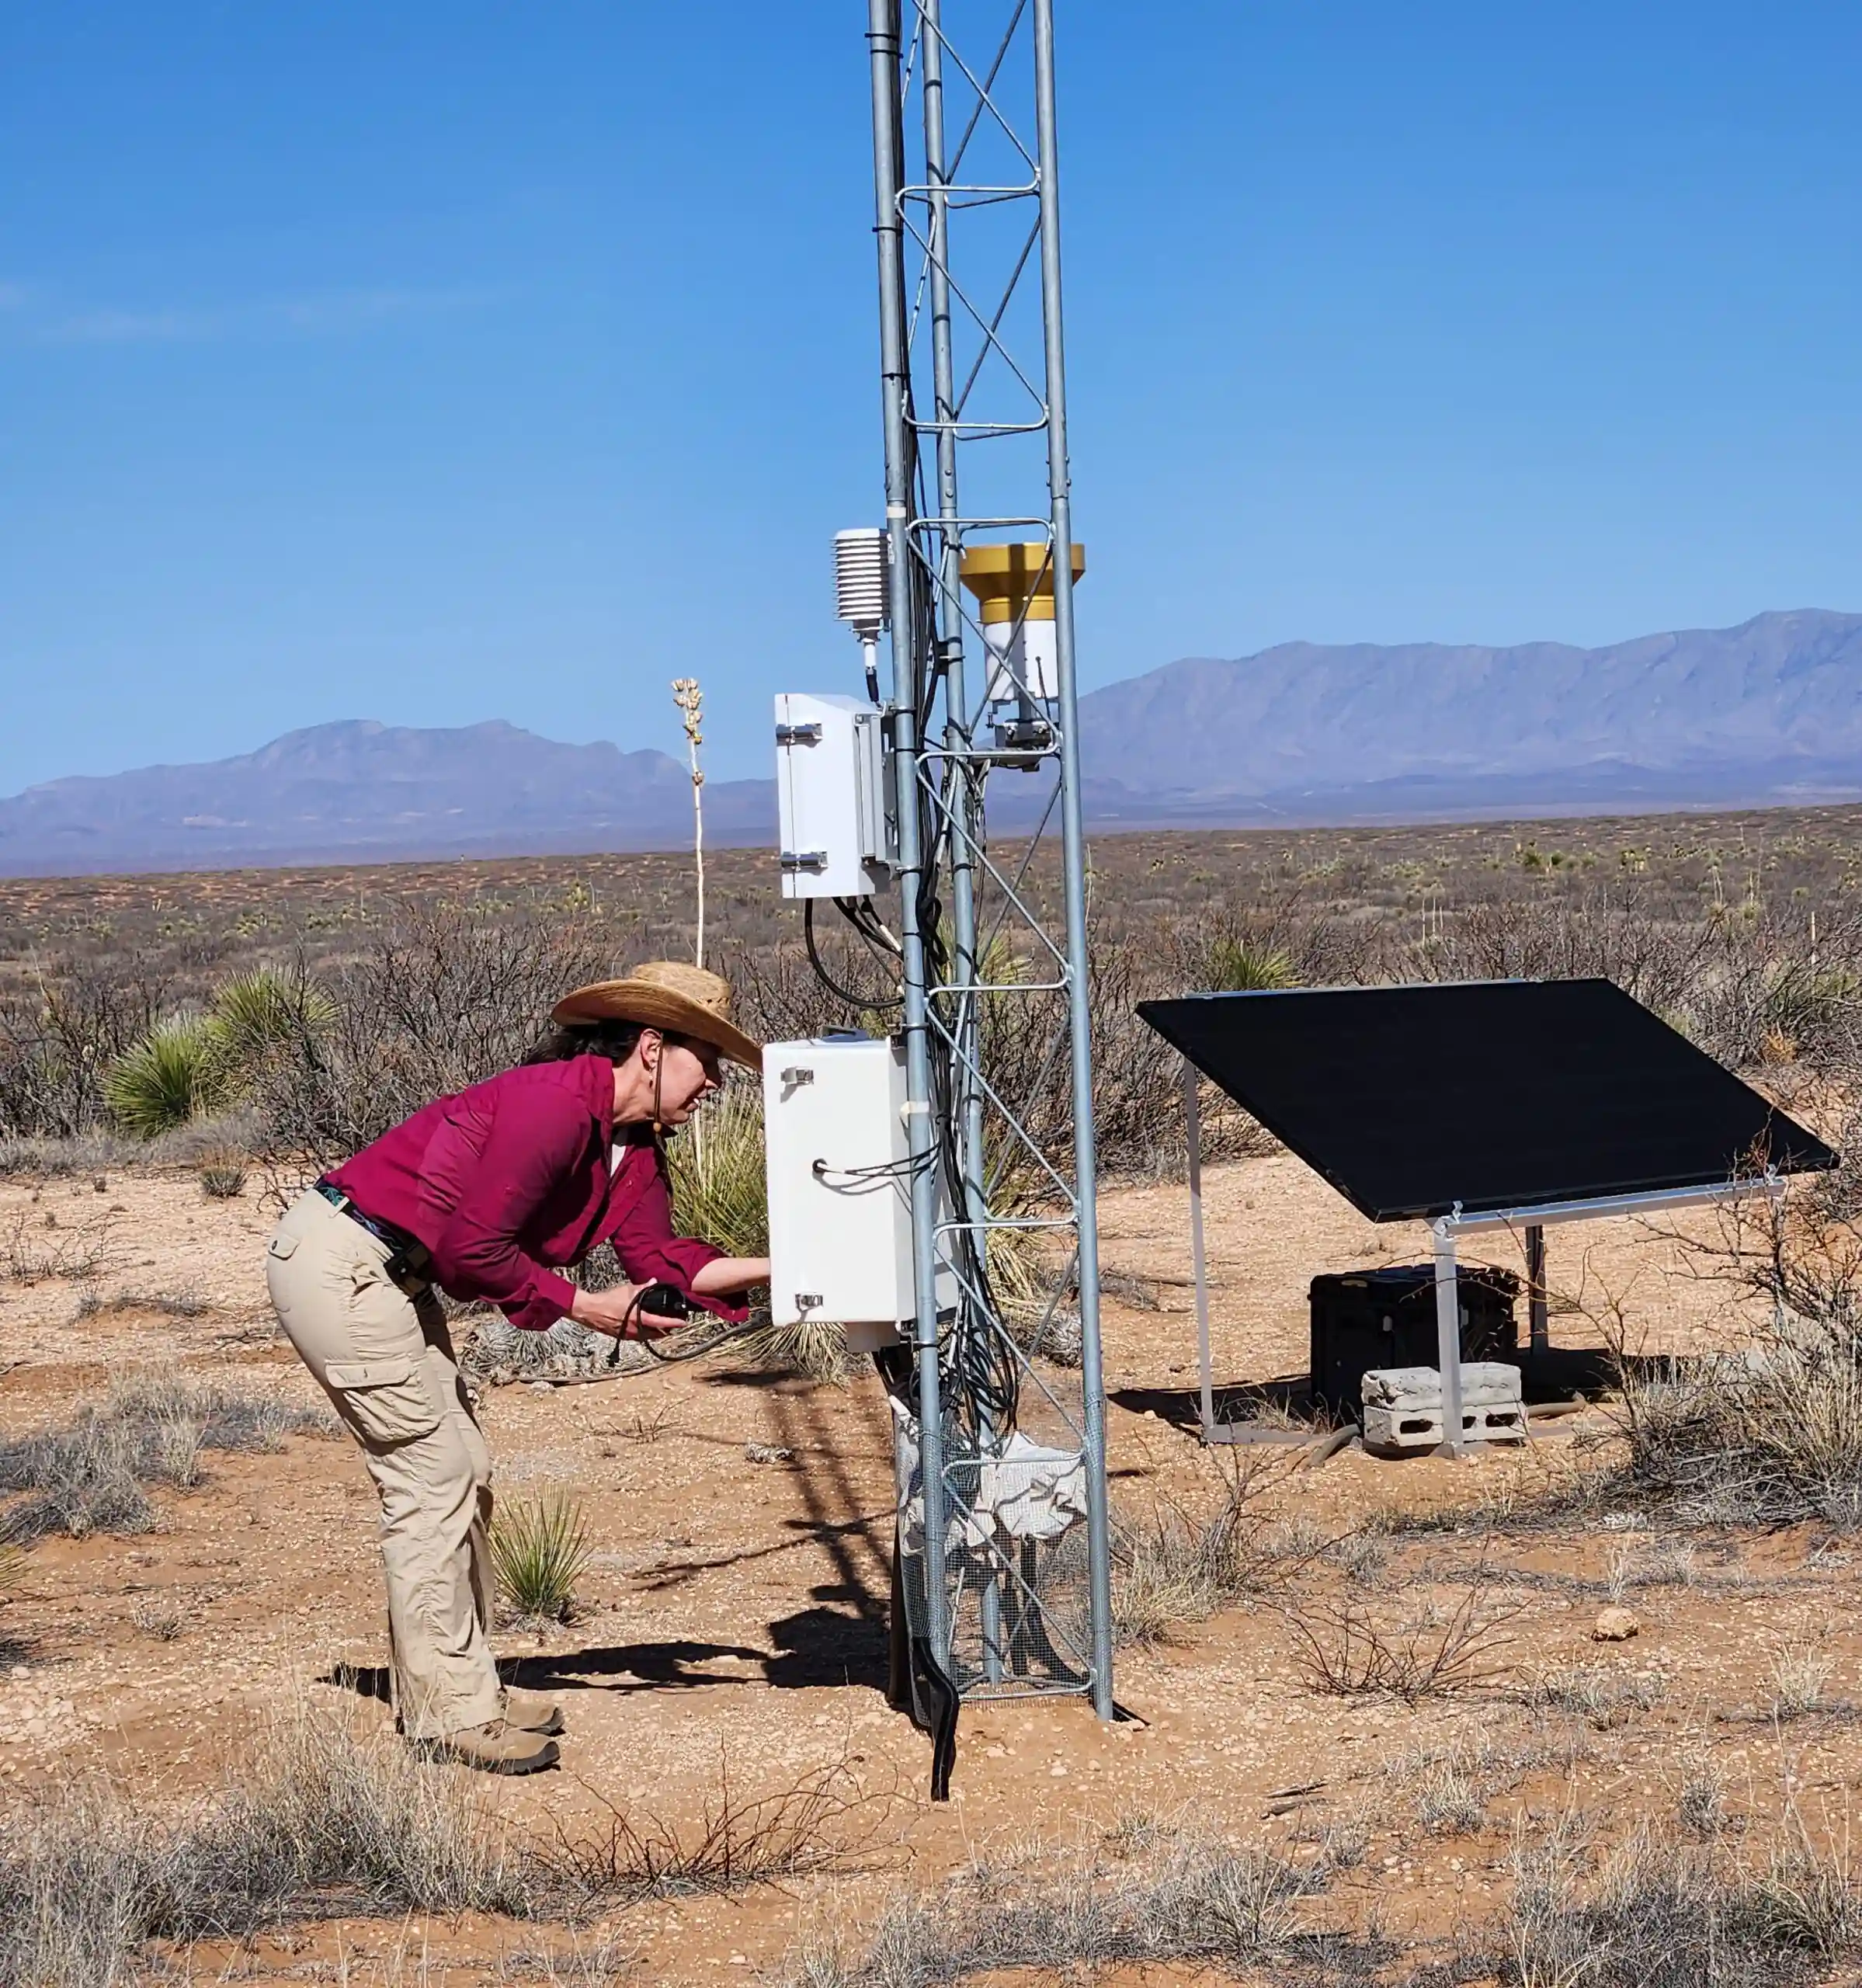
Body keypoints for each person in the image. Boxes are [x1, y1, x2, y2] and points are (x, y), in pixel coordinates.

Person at [264, 961, 769, 1774]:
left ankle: (467, 1688)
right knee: (428, 1477)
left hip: (390, 1272)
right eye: (705, 1060)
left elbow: (659, 1256)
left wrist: (787, 1267)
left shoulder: (631, 1146)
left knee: (463, 1465)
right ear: (651, 1046)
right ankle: (448, 1715)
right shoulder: (554, 1106)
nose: (714, 1082)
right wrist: (585, 1304)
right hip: (343, 1261)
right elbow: (474, 1247)